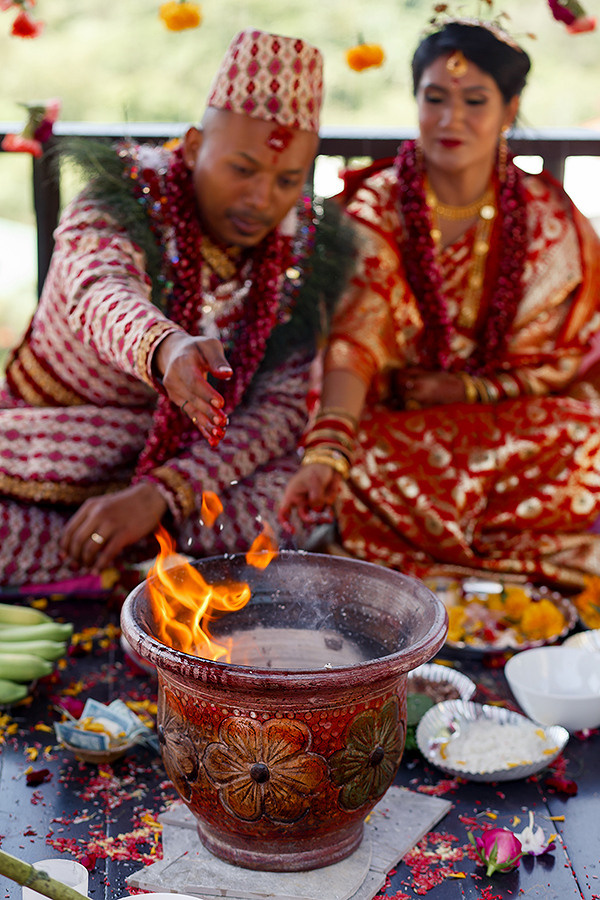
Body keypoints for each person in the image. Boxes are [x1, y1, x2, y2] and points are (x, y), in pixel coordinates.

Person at [0, 28, 351, 589]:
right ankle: (156, 575)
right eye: (242, 169)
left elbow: (281, 409)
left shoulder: (303, 248)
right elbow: (99, 288)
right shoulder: (124, 196)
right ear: (191, 146)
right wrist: (164, 346)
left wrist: (163, 492)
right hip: (52, 447)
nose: (262, 199)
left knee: (297, 505)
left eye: (287, 179)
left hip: (190, 467)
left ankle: (129, 567)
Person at [279, 14, 600, 591]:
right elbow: (354, 340)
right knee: (356, 455)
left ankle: (435, 557)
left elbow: (565, 357)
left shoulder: (553, 220)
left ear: (509, 108)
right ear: (415, 101)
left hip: (506, 418)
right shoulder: (376, 207)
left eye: (475, 100)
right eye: (434, 98)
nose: (451, 120)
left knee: (586, 432)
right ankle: (486, 560)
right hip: (396, 419)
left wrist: (474, 391)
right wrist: (329, 449)